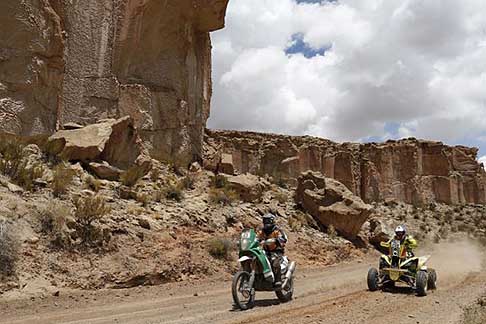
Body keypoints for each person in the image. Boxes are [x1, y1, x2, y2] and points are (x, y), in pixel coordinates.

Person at [257, 213, 288, 288]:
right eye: (264, 220)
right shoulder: (262, 231)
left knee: (274, 261)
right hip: (266, 251)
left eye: (268, 220)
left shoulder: (277, 230)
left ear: (272, 221)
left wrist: (276, 240)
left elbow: (284, 238)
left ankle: (278, 280)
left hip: (276, 251)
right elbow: (257, 237)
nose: (266, 222)